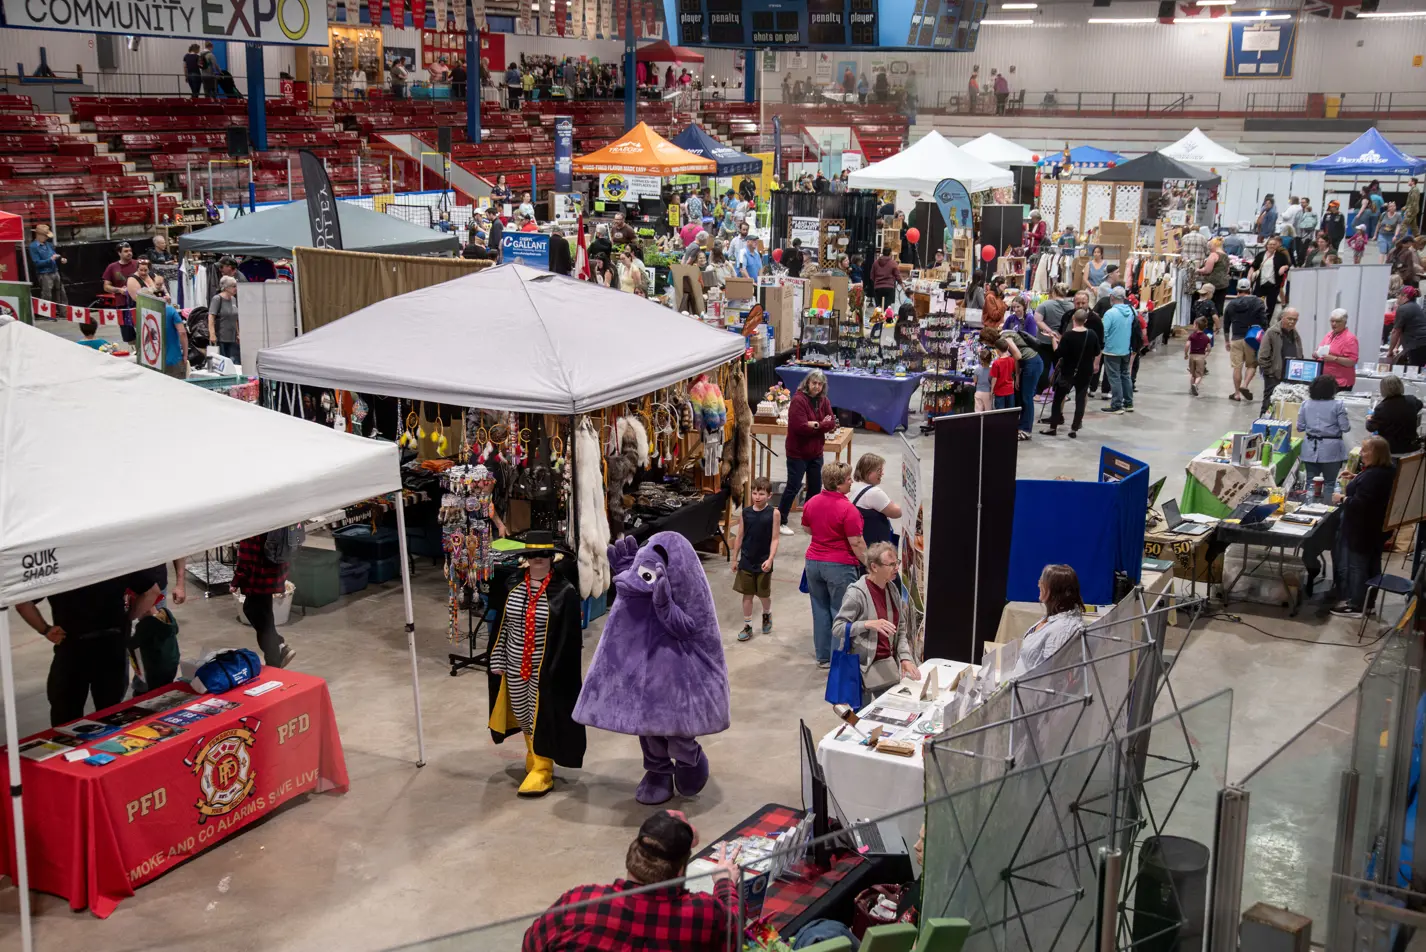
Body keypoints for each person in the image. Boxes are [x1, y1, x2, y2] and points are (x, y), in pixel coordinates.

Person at [521, 810, 740, 952]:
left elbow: (531, 945)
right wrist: (724, 882)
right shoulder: (704, 914)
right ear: (681, 869)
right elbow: (736, 935)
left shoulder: (580, 902)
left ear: (632, 853)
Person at [488, 531, 586, 797]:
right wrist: (497, 657)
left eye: (544, 554)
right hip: (514, 663)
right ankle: (533, 754)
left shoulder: (564, 592)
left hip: (546, 669)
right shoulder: (513, 585)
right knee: (521, 712)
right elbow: (503, 626)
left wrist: (557, 671)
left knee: (541, 715)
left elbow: (569, 638)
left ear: (552, 557)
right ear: (526, 557)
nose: (538, 559)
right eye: (533, 554)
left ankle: (543, 767)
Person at [16, 568, 163, 726]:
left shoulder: (57, 563)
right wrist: (128, 618)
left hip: (72, 645)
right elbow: (152, 592)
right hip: (111, 643)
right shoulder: (113, 555)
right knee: (111, 714)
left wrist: (45, 629)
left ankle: (68, 748)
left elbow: (23, 603)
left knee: (65, 718)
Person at [833, 542, 920, 700]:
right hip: (860, 671)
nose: (896, 568)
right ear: (874, 567)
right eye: (891, 564)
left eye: (897, 563)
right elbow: (838, 628)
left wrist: (905, 657)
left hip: (886, 668)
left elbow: (900, 628)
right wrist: (867, 624)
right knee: (860, 719)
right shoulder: (856, 594)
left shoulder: (892, 589)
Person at [802, 462, 867, 669]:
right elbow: (856, 542)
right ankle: (839, 657)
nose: (851, 482)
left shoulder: (812, 502)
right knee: (841, 612)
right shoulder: (848, 509)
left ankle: (823, 657)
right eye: (848, 479)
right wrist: (869, 564)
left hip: (813, 563)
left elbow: (807, 528)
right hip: (839, 566)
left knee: (819, 609)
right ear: (838, 484)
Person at [1330, 436, 1395, 618]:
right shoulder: (1387, 470)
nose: (1361, 454)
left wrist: (1342, 498)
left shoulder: (1373, 476)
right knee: (1373, 565)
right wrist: (1356, 477)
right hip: (1377, 529)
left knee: (1358, 566)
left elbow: (1361, 504)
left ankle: (1356, 605)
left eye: (1365, 451)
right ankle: (1369, 603)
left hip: (1362, 529)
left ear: (1376, 453)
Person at [779, 371, 835, 534]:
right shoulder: (798, 400)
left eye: (820, 384)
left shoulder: (824, 400)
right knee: (793, 486)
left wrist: (815, 425)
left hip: (816, 452)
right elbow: (800, 427)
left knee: (815, 488)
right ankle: (781, 520)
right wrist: (820, 425)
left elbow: (831, 422)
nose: (817, 387)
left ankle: (810, 520)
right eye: (814, 383)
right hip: (798, 453)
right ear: (807, 383)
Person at [1009, 565, 1086, 678]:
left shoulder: (1062, 630)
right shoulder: (1056, 616)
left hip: (1030, 692)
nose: (1039, 584)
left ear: (1055, 591)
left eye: (1042, 582)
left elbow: (1050, 677)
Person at [729, 476, 780, 641]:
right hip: (747, 561)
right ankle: (748, 625)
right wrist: (735, 558)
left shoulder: (774, 513)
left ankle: (767, 614)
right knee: (747, 595)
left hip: (764, 561)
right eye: (755, 493)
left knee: (764, 595)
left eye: (761, 494)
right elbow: (740, 536)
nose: (757, 497)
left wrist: (771, 558)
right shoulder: (746, 512)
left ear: (769, 495)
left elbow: (775, 538)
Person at [1043, 308, 1101, 438]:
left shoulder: (1068, 335)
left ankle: (1053, 427)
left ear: (1073, 319)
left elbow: (1059, 354)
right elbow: (1097, 352)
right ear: (1085, 320)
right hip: (1085, 372)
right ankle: (1074, 428)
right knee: (1080, 399)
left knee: (1058, 399)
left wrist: (1054, 340)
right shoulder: (1091, 334)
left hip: (1068, 371)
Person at [1298, 374, 1351, 492]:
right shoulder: (1338, 405)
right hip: (1332, 449)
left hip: (1310, 448)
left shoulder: (1305, 404)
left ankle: (1308, 507)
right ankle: (1327, 507)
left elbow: (1300, 427)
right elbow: (1345, 427)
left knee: (1311, 483)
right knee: (1330, 483)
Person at [1224, 277, 1266, 402]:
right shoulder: (1258, 302)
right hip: (1251, 338)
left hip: (1236, 338)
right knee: (1252, 365)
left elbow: (1226, 324)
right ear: (1250, 289)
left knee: (1237, 367)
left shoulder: (1231, 304)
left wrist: (1227, 341)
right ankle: (1245, 385)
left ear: (1237, 289)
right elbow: (1264, 321)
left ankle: (1237, 394)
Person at [848, 453, 903, 546]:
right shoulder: (874, 493)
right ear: (868, 473)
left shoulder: (853, 486)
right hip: (873, 546)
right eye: (879, 470)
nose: (882, 473)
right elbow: (897, 512)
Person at [1256, 307, 1303, 415]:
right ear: (1282, 318)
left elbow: (1300, 352)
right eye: (1289, 319)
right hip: (1274, 377)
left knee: (1286, 405)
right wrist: (1271, 372)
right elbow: (1262, 357)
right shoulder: (1272, 333)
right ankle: (1263, 427)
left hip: (1291, 377)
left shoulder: (1295, 334)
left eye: (1295, 320)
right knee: (1268, 405)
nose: (1292, 322)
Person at [1366, 375, 1422, 455]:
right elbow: (1420, 405)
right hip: (1411, 446)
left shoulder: (1382, 408)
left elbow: (1370, 427)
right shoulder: (1412, 400)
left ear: (1383, 389)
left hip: (1391, 449)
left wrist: (1369, 418)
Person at [1101, 287, 1136, 414]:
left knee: (1114, 377)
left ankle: (1117, 405)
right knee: (1125, 375)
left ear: (1112, 297)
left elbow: (1103, 332)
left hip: (1112, 350)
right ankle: (1128, 403)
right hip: (1126, 349)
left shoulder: (1110, 313)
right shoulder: (1132, 311)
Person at [1315, 308, 1359, 392]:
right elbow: (1319, 349)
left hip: (1340, 382)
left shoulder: (1350, 339)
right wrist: (1316, 354)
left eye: (1338, 321)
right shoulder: (1329, 335)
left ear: (1345, 322)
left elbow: (1352, 361)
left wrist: (1334, 359)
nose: (1334, 324)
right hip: (1326, 380)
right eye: (1332, 321)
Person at [1250, 235, 1291, 317]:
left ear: (1276, 246)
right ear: (1266, 245)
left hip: (1273, 285)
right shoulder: (1261, 255)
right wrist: (1249, 277)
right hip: (1261, 283)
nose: (1271, 246)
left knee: (1271, 306)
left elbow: (1287, 265)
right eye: (1270, 244)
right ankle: (1257, 319)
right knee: (1256, 304)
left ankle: (1267, 322)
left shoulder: (1280, 256)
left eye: (1273, 244)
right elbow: (1253, 266)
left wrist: (1284, 267)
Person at [29, 223, 65, 304]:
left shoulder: (48, 244)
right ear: (39, 235)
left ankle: (63, 312)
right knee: (47, 295)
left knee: (61, 292)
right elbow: (36, 262)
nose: (46, 238)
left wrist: (60, 258)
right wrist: (50, 260)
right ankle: (47, 315)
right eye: (45, 236)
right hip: (44, 274)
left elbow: (54, 254)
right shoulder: (33, 247)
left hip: (55, 271)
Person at [1390, 287, 1426, 368]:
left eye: (1398, 295)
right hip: (1421, 343)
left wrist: (1390, 351)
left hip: (1416, 344)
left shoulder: (1403, 309)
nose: (1397, 298)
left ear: (1404, 296)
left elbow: (1396, 332)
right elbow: (1402, 331)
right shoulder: (1416, 306)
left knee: (1413, 370)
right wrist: (1396, 347)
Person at [1197, 236, 1229, 317]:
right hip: (1224, 283)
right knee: (1219, 304)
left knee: (1210, 305)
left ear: (1214, 245)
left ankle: (1209, 321)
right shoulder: (1225, 255)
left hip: (1212, 284)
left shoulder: (1213, 255)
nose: (1209, 248)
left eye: (1210, 245)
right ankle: (1218, 322)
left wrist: (1198, 270)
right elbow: (1227, 270)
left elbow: (1207, 270)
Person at [162, 298, 189, 379]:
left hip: (154, 360)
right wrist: (185, 355)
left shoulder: (145, 310)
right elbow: (182, 333)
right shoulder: (170, 310)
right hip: (173, 358)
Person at [1185, 316, 1212, 397]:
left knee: (1193, 374)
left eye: (1193, 325)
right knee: (1200, 375)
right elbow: (1209, 348)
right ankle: (1195, 385)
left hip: (1192, 356)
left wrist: (1186, 354)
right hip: (1201, 356)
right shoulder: (1206, 337)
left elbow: (1187, 345)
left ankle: (1191, 388)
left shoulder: (1192, 336)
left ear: (1196, 325)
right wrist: (1205, 355)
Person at [989, 338, 1017, 410]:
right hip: (1010, 390)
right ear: (1008, 347)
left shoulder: (996, 363)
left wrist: (992, 390)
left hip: (999, 391)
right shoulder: (1012, 360)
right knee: (1010, 412)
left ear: (997, 350)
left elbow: (994, 378)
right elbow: (1013, 373)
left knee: (1000, 412)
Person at [1296, 198, 1319, 265]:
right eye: (1301, 202)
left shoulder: (1313, 213)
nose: (1302, 204)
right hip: (1298, 234)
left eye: (1304, 202)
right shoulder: (1299, 212)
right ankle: (1299, 263)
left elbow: (1314, 223)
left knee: (1302, 251)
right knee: (1298, 250)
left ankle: (1300, 263)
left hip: (1307, 235)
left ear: (1308, 203)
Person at [973, 346, 994, 413]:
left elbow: (975, 381)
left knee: (978, 412)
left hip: (978, 392)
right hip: (988, 393)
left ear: (980, 359)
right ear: (991, 359)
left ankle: (978, 423)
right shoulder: (992, 371)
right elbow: (993, 382)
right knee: (988, 412)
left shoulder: (977, 370)